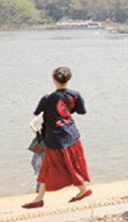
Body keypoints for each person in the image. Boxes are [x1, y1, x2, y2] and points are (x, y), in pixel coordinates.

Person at [22, 67, 92, 209]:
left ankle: (82, 190)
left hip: (54, 139)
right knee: (68, 164)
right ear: (69, 79)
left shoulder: (47, 98)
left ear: (54, 79)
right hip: (72, 135)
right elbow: (82, 111)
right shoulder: (75, 95)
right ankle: (40, 198)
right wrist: (66, 110)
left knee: (53, 167)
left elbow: (36, 112)